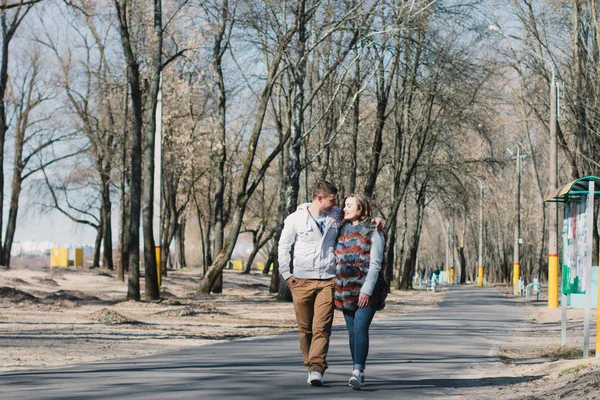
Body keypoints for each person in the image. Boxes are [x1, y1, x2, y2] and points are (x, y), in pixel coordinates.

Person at [278, 181, 341, 386]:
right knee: (305, 329)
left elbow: (361, 217)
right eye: (332, 200)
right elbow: (284, 246)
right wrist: (286, 274)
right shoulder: (296, 219)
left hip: (327, 280)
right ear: (319, 198)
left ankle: (316, 368)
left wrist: (375, 220)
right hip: (301, 280)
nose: (335, 204)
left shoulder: (337, 215)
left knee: (322, 327)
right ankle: (310, 364)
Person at [334, 193, 385, 390]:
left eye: (349, 205)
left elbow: (376, 264)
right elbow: (314, 207)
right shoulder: (341, 228)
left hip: (367, 288)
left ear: (361, 208)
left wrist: (366, 290)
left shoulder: (373, 230)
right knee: (351, 333)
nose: (345, 208)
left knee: (360, 329)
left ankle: (358, 371)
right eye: (344, 205)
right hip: (345, 288)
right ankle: (356, 369)